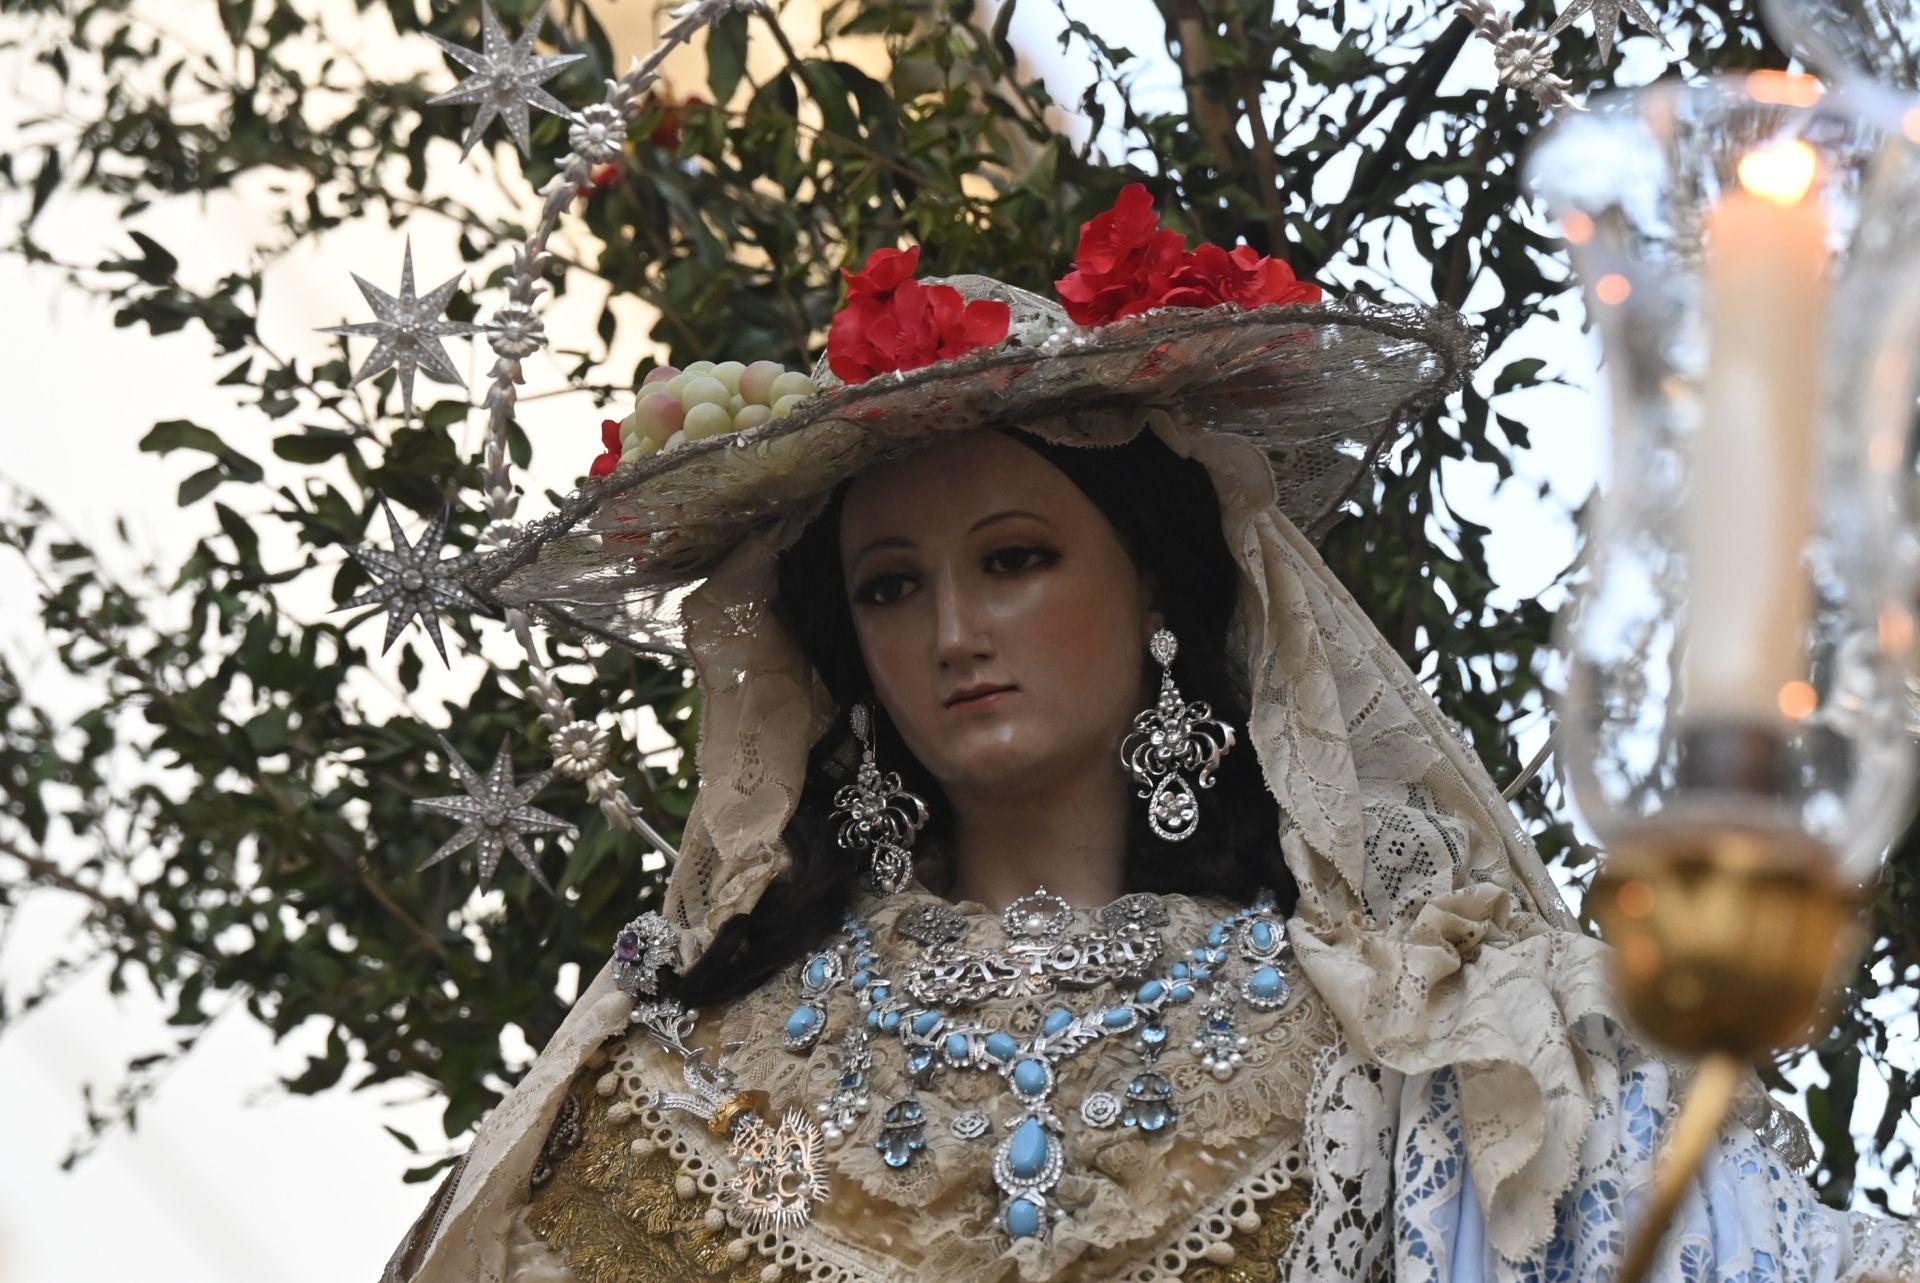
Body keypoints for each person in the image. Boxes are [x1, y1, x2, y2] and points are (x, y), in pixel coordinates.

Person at [383, 186, 1917, 1283]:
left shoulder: (1406, 1042)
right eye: (891, 587)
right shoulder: (681, 1066)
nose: (954, 634)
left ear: (1160, 593)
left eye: (1016, 559)